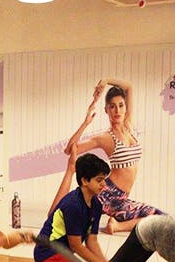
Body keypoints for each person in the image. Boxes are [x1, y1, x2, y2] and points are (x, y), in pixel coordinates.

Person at [54, 78, 164, 235]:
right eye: (112, 107)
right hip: (106, 194)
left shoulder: (129, 127)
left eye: (121, 105)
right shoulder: (106, 138)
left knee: (160, 218)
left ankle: (116, 225)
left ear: (126, 107)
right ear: (106, 110)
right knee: (63, 220)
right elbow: (69, 149)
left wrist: (106, 81)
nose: (117, 110)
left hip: (121, 200)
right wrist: (86, 123)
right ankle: (115, 225)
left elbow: (129, 86)